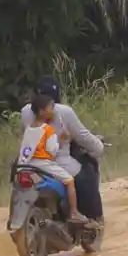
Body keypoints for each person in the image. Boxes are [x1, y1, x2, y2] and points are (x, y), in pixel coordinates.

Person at [20, 76, 105, 221]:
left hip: (28, 162)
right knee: (86, 178)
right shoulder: (63, 112)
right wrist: (98, 148)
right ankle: (84, 215)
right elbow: (83, 137)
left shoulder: (25, 112)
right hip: (55, 161)